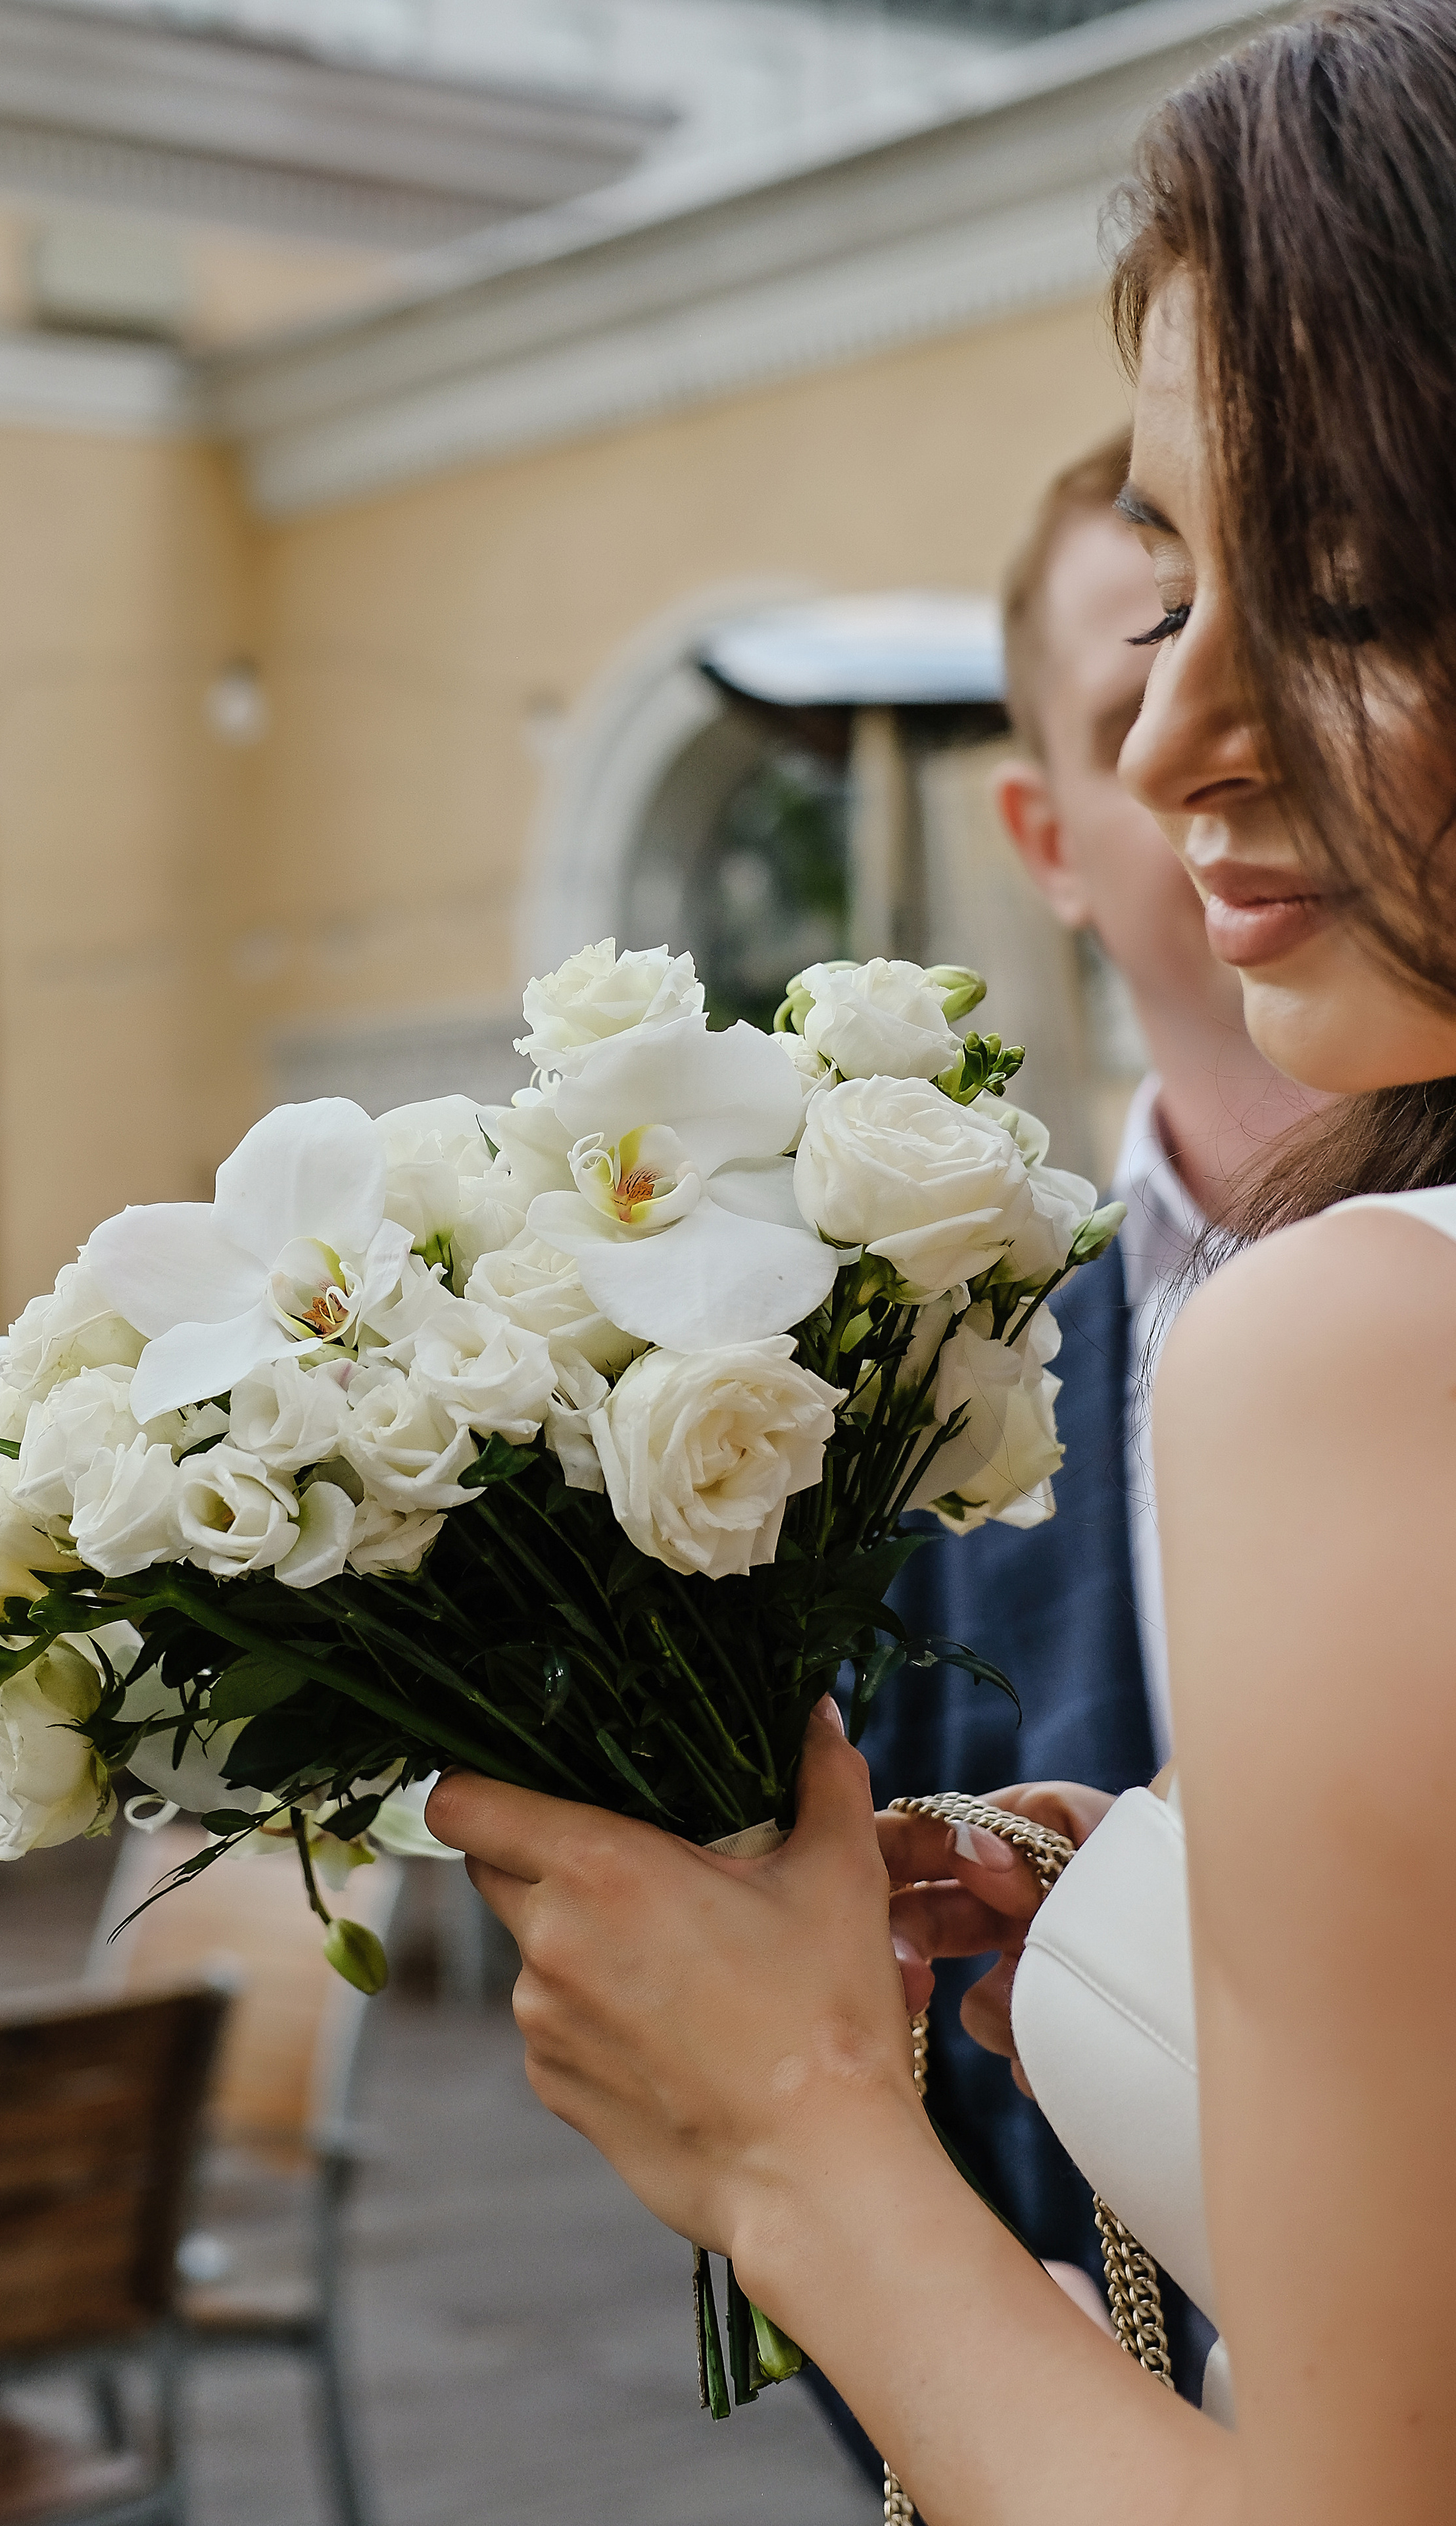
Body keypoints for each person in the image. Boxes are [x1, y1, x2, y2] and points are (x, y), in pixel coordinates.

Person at [429, 5, 1456, 2515]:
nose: (1173, 733)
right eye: (1177, 588)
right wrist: (1165, 1928)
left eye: (1333, 595)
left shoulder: (1355, 1339)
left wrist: (783, 2134)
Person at [806, 433, 1319, 2473]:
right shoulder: (912, 1426)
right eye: (1143, 697)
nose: (1227, 743)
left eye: (1316, 640)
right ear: (1044, 827)